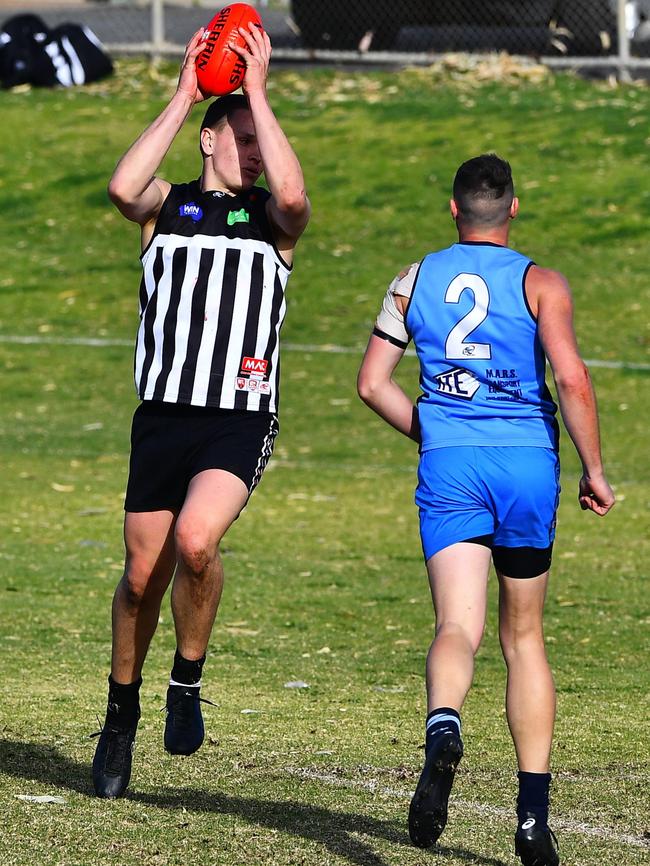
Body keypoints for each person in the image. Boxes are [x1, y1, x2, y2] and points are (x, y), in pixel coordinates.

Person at [357, 154, 614, 866]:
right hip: (527, 466)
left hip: (453, 467)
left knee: (455, 627)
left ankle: (443, 728)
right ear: (514, 208)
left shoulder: (415, 279)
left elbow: (372, 383)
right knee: (523, 637)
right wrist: (593, 469)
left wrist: (433, 432)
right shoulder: (542, 282)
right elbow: (569, 376)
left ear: (454, 210)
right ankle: (532, 818)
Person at [91, 23, 310, 799]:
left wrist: (257, 90)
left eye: (260, 137)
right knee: (141, 574)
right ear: (208, 141)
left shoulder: (272, 224)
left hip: (236, 417)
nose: (253, 149)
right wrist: (188, 93)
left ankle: (187, 679)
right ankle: (121, 716)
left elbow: (292, 195)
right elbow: (123, 188)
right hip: (163, 416)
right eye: (241, 137)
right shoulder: (168, 207)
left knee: (194, 542)